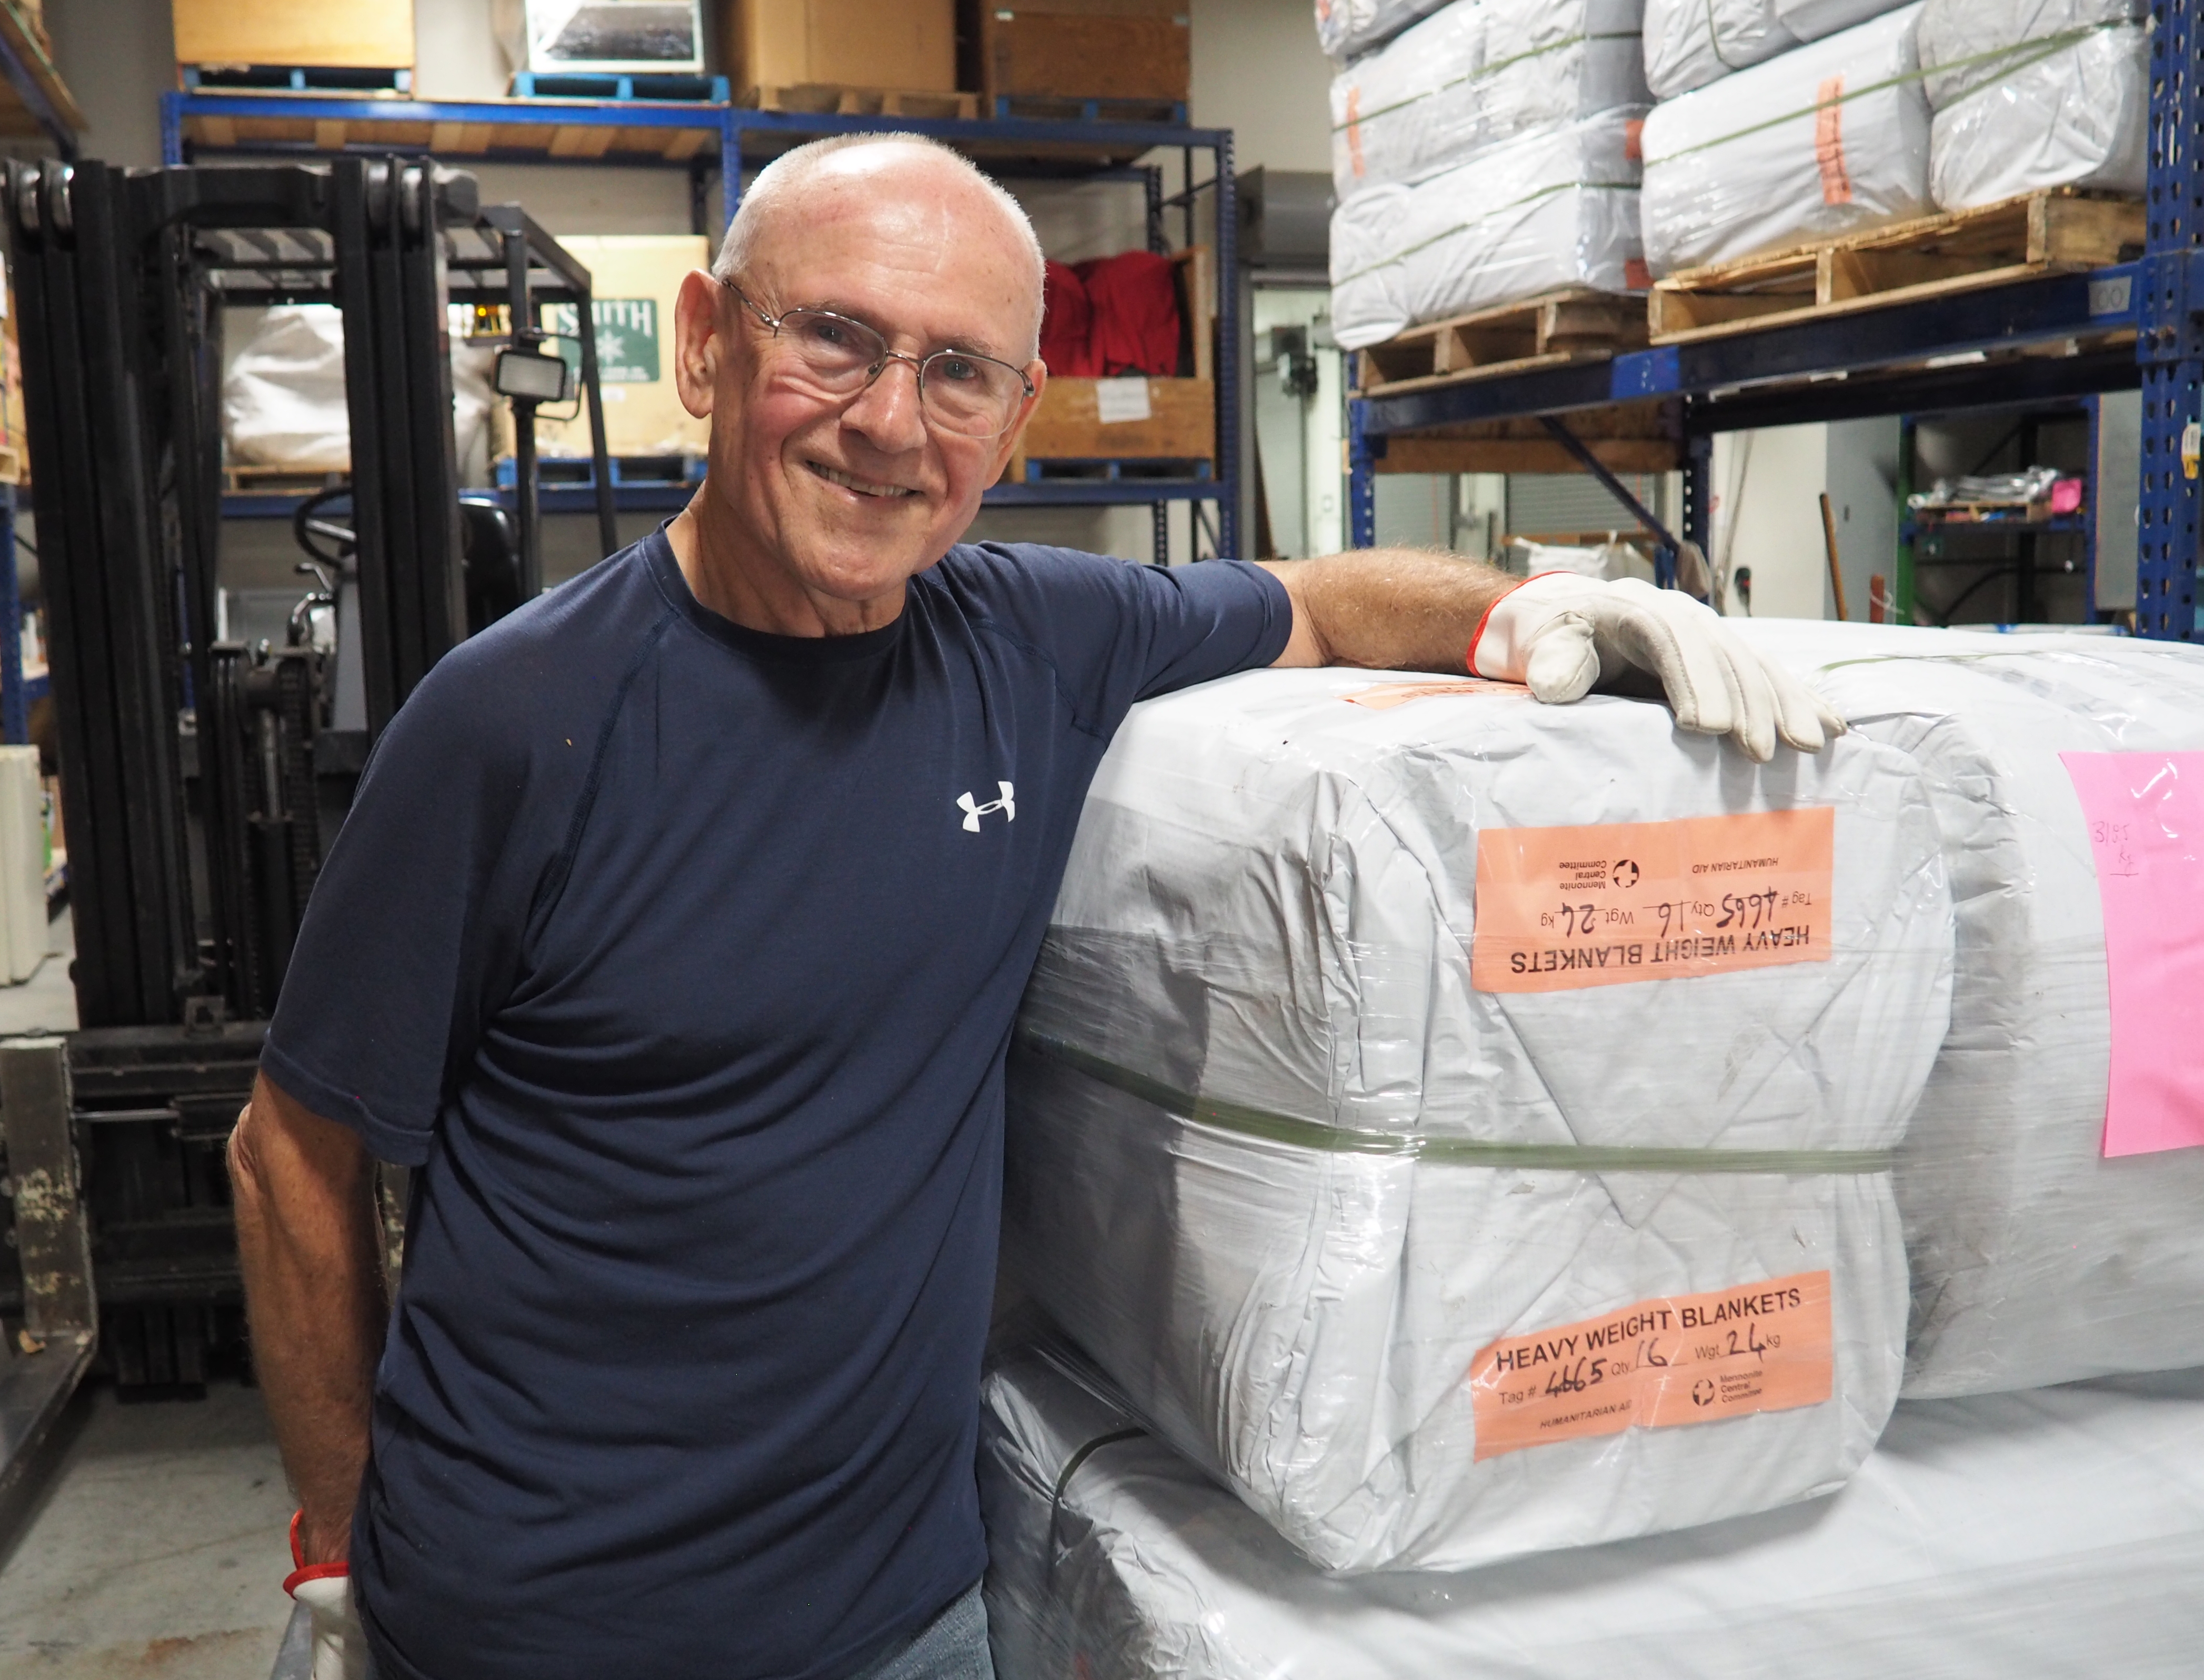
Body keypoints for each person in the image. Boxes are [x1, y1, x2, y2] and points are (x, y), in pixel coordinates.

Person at [229, 134, 1840, 1680]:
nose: (889, 423)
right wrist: (348, 1539)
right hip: (541, 1630)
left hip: (904, 1618)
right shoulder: (515, 720)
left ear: (1017, 422)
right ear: (708, 349)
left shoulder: (1028, 642)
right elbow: (290, 1156)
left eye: (959, 374)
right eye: (838, 339)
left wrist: (1539, 610)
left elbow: (1317, 595)